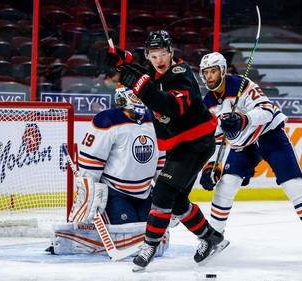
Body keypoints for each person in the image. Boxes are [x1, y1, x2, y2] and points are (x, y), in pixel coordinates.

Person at [106, 30, 229, 271]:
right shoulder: (155, 69)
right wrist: (124, 61)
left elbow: (171, 106)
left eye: (162, 54)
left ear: (171, 53)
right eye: (153, 55)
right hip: (179, 144)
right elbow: (143, 77)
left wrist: (141, 86)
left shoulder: (182, 75)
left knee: (162, 191)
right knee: (177, 201)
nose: (158, 60)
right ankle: (210, 238)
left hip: (196, 142)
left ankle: (149, 246)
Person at [48, 85, 169, 257]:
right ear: (123, 98)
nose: (141, 99)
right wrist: (89, 196)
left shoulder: (155, 121)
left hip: (144, 193)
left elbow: (161, 162)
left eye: (142, 94)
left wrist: (168, 193)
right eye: (135, 95)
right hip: (116, 193)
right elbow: (91, 163)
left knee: (151, 238)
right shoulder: (107, 120)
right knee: (127, 238)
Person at [198, 52, 302, 234]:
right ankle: (213, 237)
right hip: (243, 147)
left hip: (270, 136)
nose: (209, 76)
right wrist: (211, 166)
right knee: (225, 186)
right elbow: (215, 139)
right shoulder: (208, 104)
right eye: (205, 72)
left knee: (293, 185)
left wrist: (243, 119)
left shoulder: (241, 84)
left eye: (212, 71)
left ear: (222, 70)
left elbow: (267, 110)